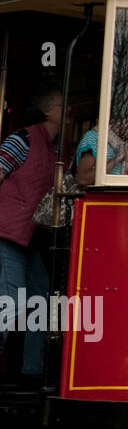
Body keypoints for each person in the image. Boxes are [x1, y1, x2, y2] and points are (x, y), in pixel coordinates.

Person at [0, 87, 61, 387]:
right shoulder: (21, 139)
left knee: (41, 298)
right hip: (7, 233)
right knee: (9, 302)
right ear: (48, 111)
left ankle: (31, 372)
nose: (70, 111)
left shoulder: (53, 150)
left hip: (29, 237)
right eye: (64, 105)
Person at [74, 122, 128, 186]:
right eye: (124, 122)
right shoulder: (94, 137)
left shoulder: (124, 147)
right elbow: (83, 179)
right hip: (100, 194)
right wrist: (116, 159)